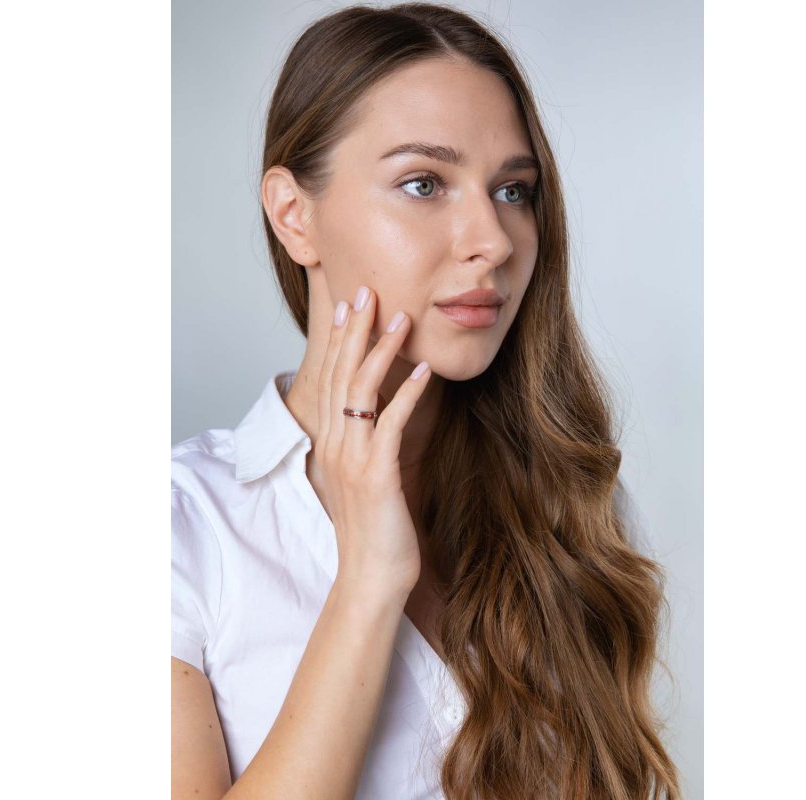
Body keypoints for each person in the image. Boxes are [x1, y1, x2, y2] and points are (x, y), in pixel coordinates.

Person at [171, 3, 681, 798]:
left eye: (513, 190)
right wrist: (370, 581)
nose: (494, 239)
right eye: (423, 184)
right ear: (294, 216)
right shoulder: (182, 529)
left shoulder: (573, 508)